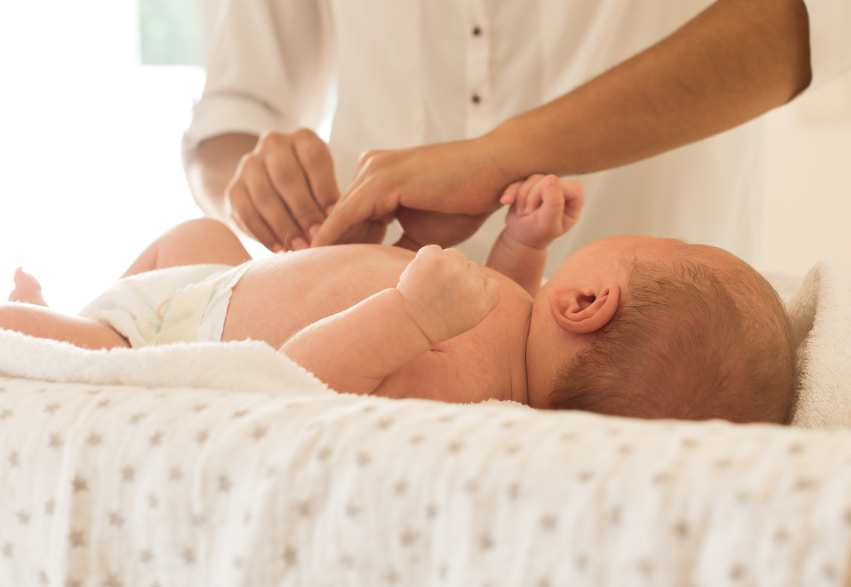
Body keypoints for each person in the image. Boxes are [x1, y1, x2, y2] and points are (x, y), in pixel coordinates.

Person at [3, 177, 796, 423]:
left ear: (587, 301)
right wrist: (522, 243)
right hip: (214, 282)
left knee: (68, 348)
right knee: (199, 232)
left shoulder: (464, 389)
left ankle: (60, 319)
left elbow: (300, 384)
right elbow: (504, 297)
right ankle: (75, 304)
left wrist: (410, 315)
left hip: (167, 348)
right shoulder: (514, 331)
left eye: (660, 249)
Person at [184, 0, 851, 268]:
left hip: (657, 355)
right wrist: (263, 185)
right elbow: (230, 119)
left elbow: (828, 13)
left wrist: (502, 158)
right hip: (381, 380)